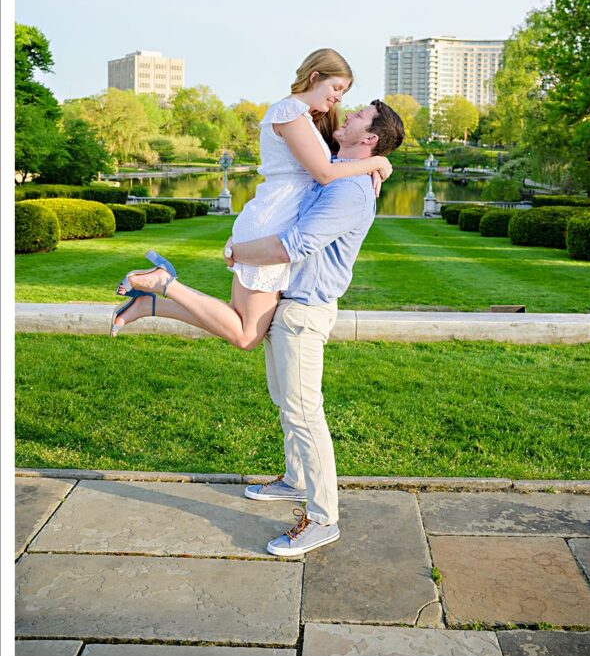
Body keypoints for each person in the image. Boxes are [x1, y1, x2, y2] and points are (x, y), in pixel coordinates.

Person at [119, 99, 405, 557]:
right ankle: (295, 480)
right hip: (289, 305)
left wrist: (238, 253)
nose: (345, 116)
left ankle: (324, 519)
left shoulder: (348, 191)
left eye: (356, 117)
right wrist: (379, 162)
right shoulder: (344, 171)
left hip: (304, 312)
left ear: (369, 137)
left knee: (304, 413)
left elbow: (297, 244)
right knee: (286, 401)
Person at [110, 48, 393, 343]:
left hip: (272, 220)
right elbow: (323, 173)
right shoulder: (289, 113)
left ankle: (149, 303)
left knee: (238, 320)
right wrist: (375, 162)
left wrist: (368, 164)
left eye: (343, 92)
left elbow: (334, 165)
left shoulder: (305, 118)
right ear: (314, 77)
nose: (338, 98)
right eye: (336, 88)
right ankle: (163, 284)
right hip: (271, 223)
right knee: (246, 335)